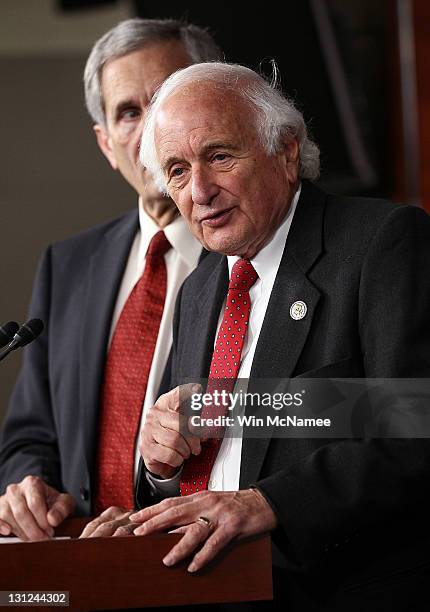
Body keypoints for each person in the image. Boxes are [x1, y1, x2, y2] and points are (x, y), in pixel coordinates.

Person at [120, 62, 429, 609]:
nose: (200, 191)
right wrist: (160, 465)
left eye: (219, 156)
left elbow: (414, 418)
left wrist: (270, 502)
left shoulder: (382, 243)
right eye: (176, 170)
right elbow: (195, 447)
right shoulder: (198, 290)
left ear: (287, 152)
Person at [0, 19, 221, 541]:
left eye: (168, 98)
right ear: (106, 145)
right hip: (80, 564)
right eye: (128, 113)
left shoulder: (253, 253)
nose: (149, 131)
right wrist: (27, 486)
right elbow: (30, 434)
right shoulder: (67, 264)